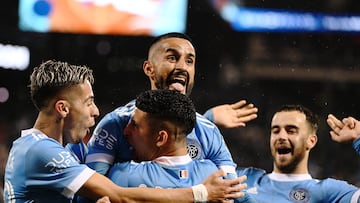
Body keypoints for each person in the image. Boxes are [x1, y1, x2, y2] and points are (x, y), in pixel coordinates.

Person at [3, 59, 247, 203]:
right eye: (88, 102)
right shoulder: (40, 151)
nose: (96, 111)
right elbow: (120, 196)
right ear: (62, 108)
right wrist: (201, 193)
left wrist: (205, 119)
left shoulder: (70, 146)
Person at [83, 32, 257, 178]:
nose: (182, 67)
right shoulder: (116, 124)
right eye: (172, 58)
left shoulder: (207, 131)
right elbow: (90, 194)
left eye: (189, 61)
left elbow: (232, 191)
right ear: (149, 69)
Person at [236, 104, 360, 202]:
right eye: (276, 131)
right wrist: (215, 119)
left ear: (311, 141)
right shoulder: (243, 179)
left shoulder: (327, 192)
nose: (281, 136)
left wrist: (359, 139)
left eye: (291, 131)